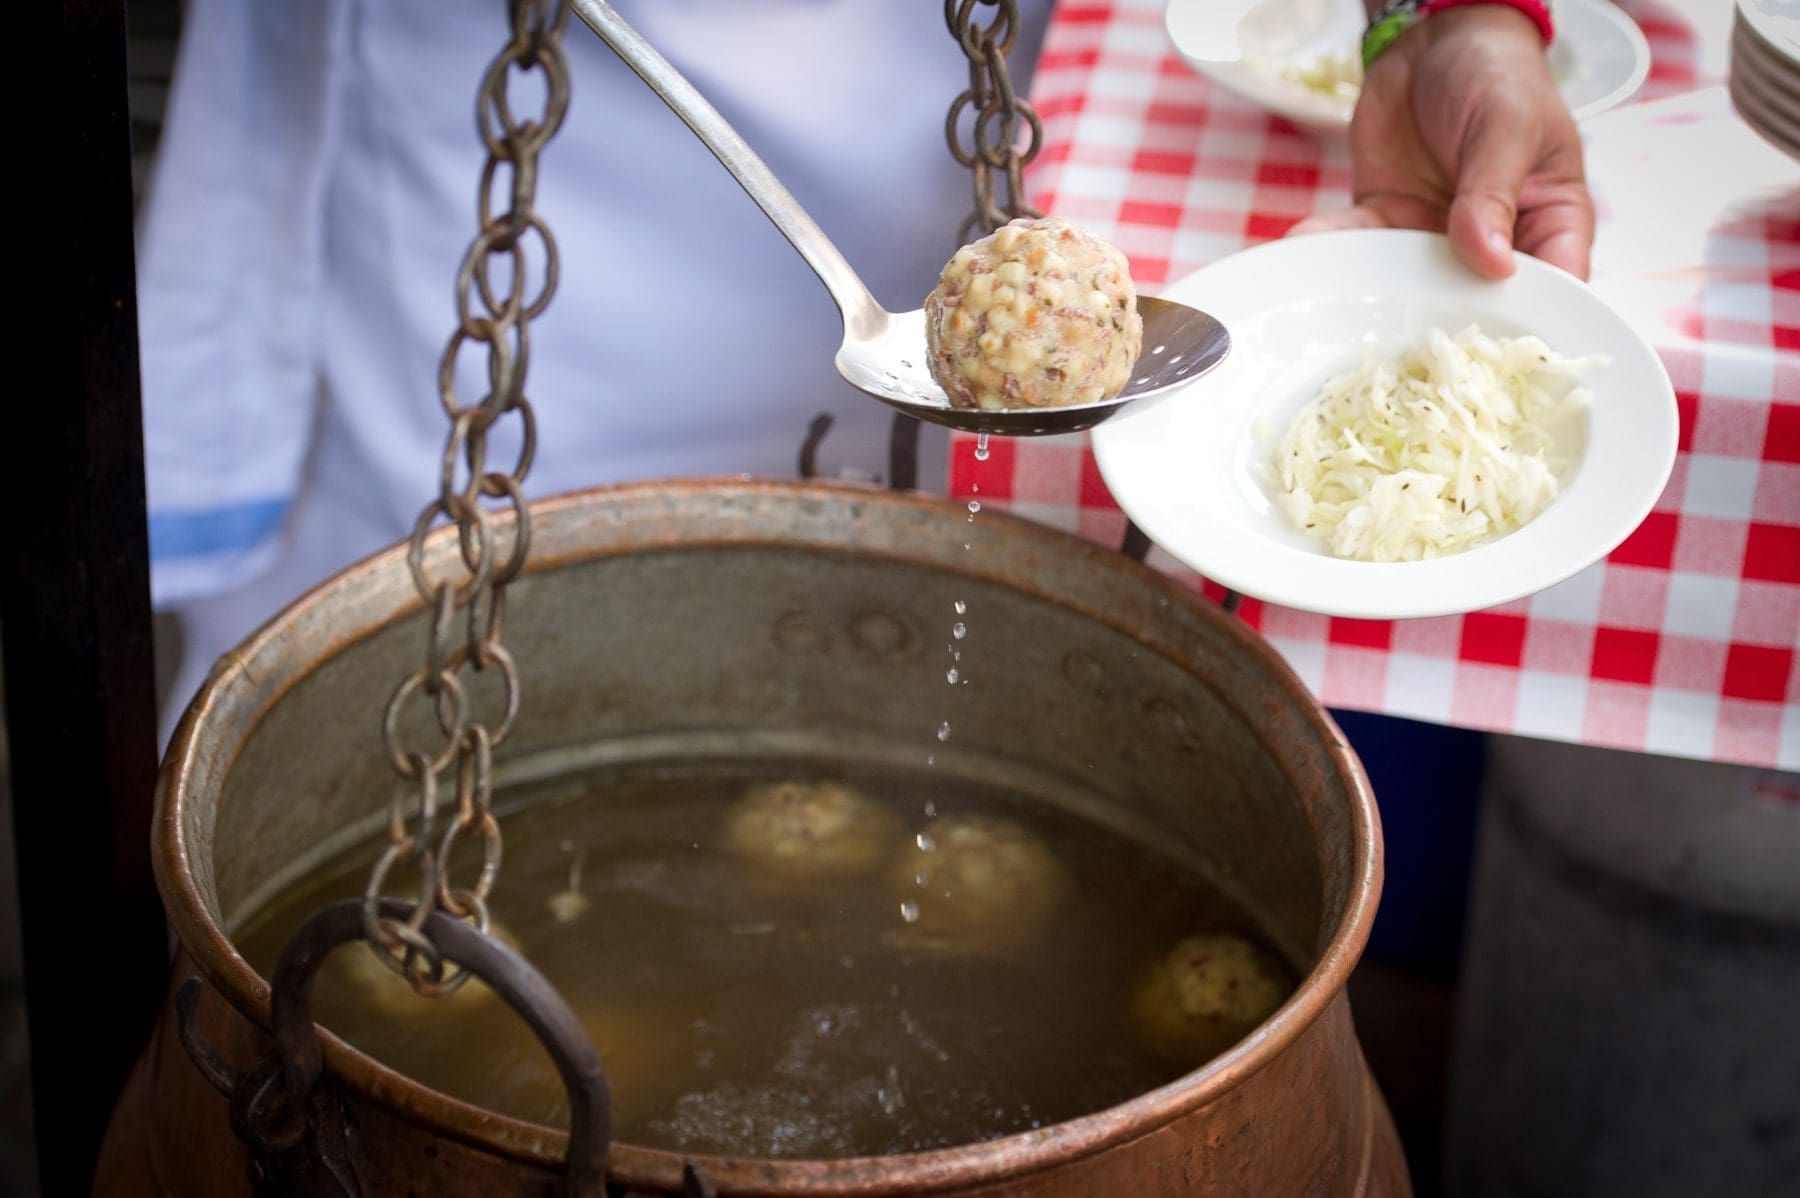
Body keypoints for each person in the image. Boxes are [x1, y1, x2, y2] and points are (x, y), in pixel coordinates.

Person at [138, 0, 1592, 736]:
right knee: (445, 689)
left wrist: (1443, 12)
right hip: (514, 131)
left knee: (908, 688)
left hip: (931, 89)